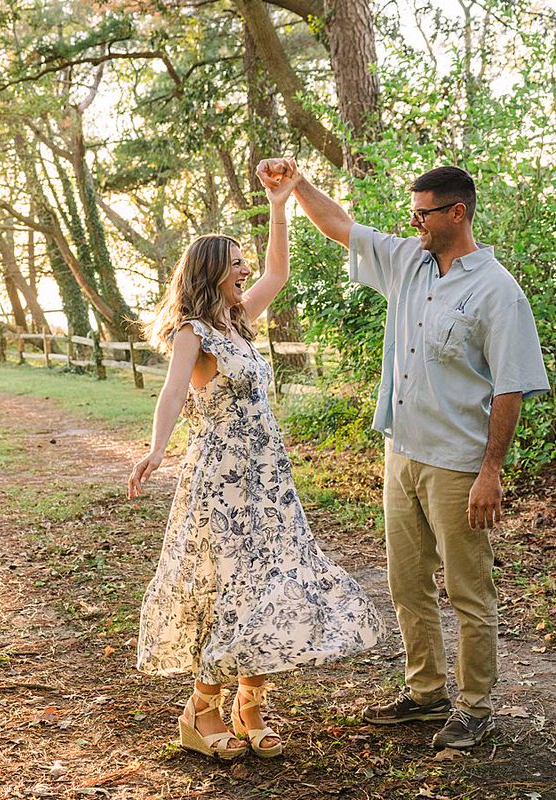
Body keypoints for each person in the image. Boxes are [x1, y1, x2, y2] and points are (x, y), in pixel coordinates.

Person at [285, 163, 550, 750]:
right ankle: (426, 694)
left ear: (456, 213)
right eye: (413, 213)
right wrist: (297, 185)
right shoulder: (408, 260)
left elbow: (510, 387)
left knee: (468, 590)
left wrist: (490, 471)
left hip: (458, 464)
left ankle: (475, 708)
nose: (414, 222)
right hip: (400, 454)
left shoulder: (498, 291)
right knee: (407, 584)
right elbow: (341, 227)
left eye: (423, 213)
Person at [129, 158, 384, 760]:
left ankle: (250, 707)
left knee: (268, 582)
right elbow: (173, 391)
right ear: (213, 272)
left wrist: (279, 204)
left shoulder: (240, 322)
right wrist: (157, 448)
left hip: (268, 477)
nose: (247, 270)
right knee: (229, 585)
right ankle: (201, 711)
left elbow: (279, 271)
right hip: (222, 478)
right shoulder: (194, 332)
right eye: (236, 263)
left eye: (245, 262)